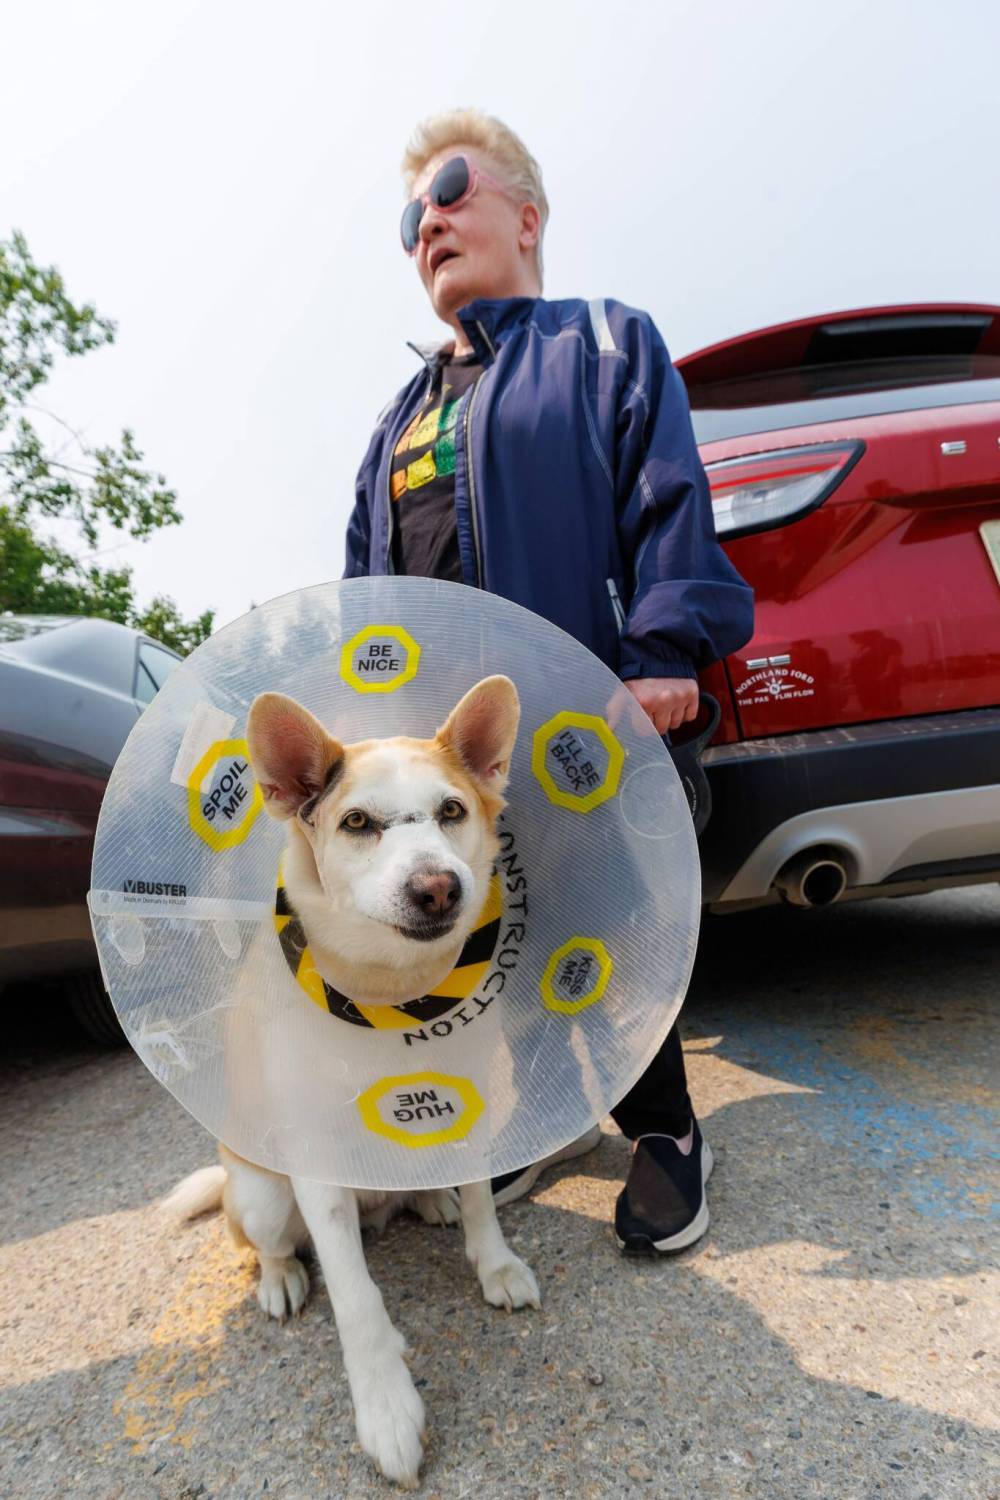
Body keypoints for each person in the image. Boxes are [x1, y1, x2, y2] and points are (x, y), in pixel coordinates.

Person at [345, 110, 754, 1253]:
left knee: (610, 923)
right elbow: (367, 596)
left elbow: (668, 501)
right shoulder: (401, 418)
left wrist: (664, 654)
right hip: (451, 758)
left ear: (526, 216)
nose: (424, 224)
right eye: (406, 216)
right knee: (496, 931)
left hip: (587, 719)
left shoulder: (605, 343)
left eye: (448, 191)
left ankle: (664, 1128)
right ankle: (544, 1113)